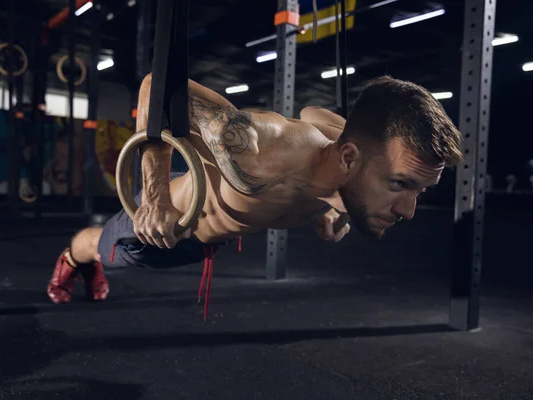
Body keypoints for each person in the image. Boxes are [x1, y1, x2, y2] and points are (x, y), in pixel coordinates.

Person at [47, 74, 463, 305]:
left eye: (419, 191)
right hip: (165, 228)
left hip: (222, 238)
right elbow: (157, 87)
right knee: (99, 247)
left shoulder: (345, 157)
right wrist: (154, 196)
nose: (408, 210)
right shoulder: (255, 149)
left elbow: (314, 112)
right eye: (400, 185)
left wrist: (338, 207)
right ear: (350, 159)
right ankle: (72, 259)